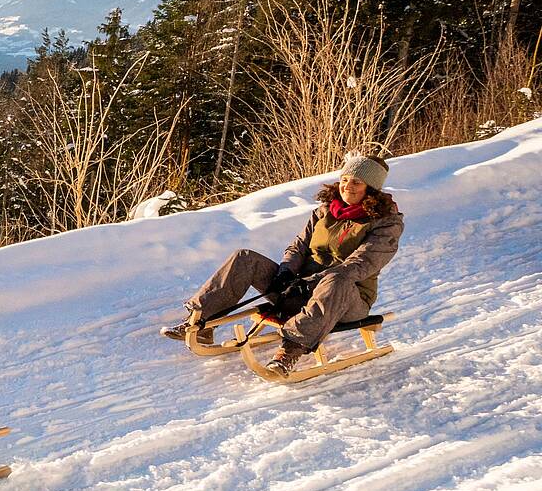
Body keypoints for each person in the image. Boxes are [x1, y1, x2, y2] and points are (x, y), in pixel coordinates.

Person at [165, 152, 403, 376]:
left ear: (371, 189)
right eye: (345, 179)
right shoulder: (325, 211)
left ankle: (290, 351)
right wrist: (286, 271)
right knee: (245, 258)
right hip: (298, 289)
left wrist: (312, 281)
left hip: (346, 299)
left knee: (337, 279)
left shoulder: (386, 223)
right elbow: (298, 246)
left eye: (357, 183)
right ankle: (202, 322)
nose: (347, 186)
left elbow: (361, 264)